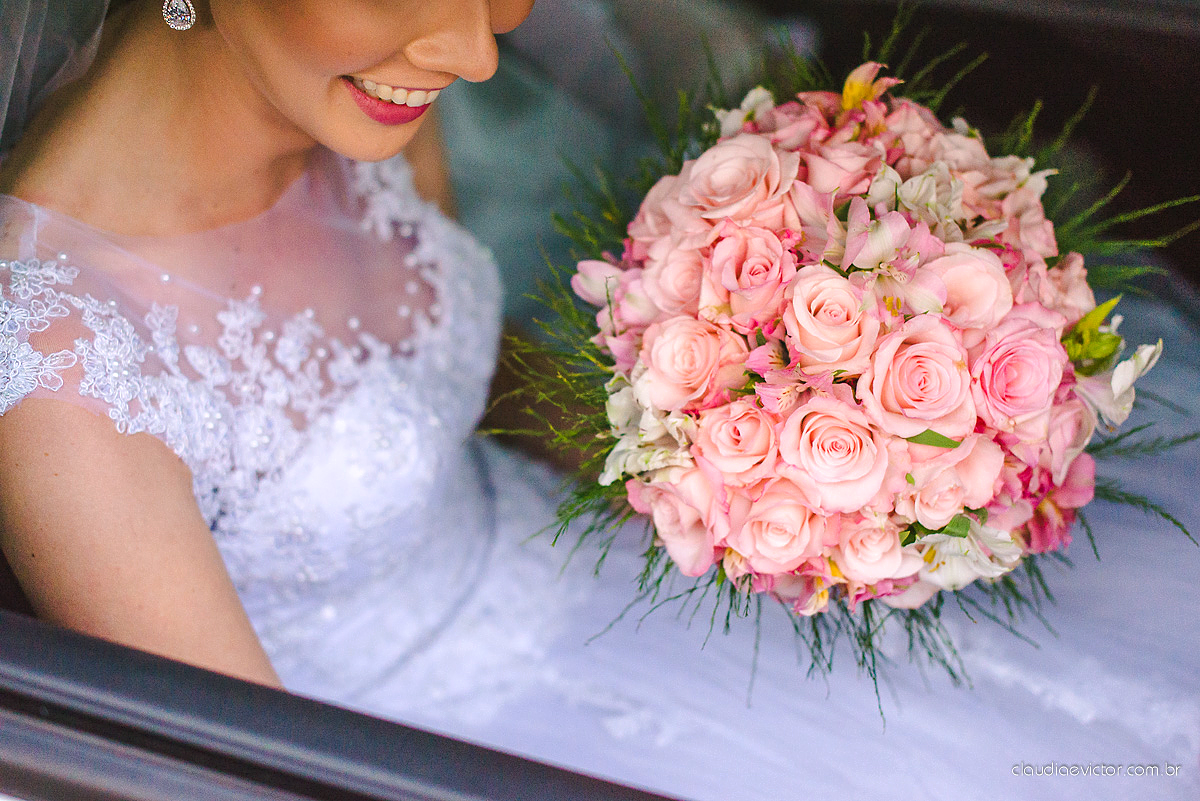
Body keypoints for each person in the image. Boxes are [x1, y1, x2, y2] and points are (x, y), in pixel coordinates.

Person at [0, 2, 1197, 799]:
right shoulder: (61, 364)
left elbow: (449, 385)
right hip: (426, 746)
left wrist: (737, 441)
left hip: (574, 562)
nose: (474, 55)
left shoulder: (362, 121)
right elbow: (239, 772)